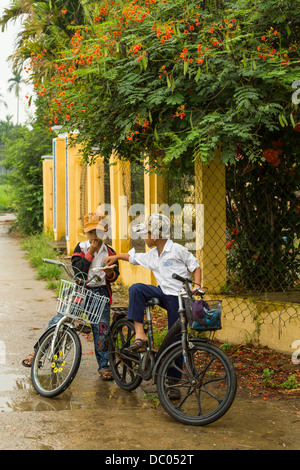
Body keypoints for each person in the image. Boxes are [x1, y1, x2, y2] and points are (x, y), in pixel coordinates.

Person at [104, 213, 201, 398]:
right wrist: (116, 257)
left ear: (156, 235)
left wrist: (196, 286)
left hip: (179, 298)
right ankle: (140, 335)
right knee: (136, 289)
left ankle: (172, 382)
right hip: (162, 293)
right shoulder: (152, 254)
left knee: (176, 339)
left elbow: (195, 266)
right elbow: (134, 257)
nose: (144, 237)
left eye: (146, 233)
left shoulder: (177, 250)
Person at [22, 212, 120, 382]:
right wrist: (90, 251)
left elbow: (114, 276)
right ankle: (39, 352)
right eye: (91, 232)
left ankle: (104, 366)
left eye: (98, 232)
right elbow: (79, 272)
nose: (94, 236)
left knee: (102, 330)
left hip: (101, 294)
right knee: (60, 320)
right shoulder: (80, 248)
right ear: (86, 233)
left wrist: (110, 273)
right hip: (81, 291)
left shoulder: (110, 252)